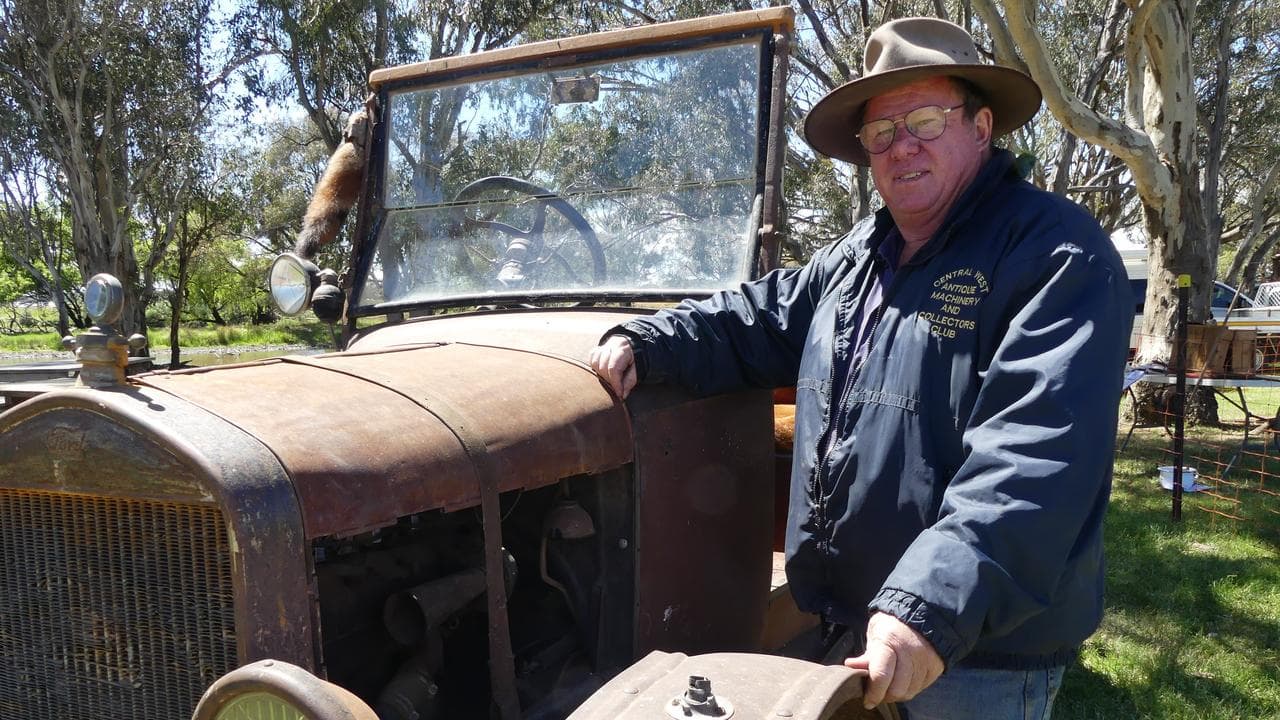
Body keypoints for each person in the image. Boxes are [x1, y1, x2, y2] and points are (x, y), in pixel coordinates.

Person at [589, 16, 1134, 720]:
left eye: (927, 119)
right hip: (855, 623)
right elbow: (757, 317)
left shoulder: (1055, 255)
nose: (902, 145)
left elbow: (1032, 458)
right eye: (881, 132)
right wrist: (651, 339)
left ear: (981, 125)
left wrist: (925, 609)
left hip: (973, 652)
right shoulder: (855, 259)